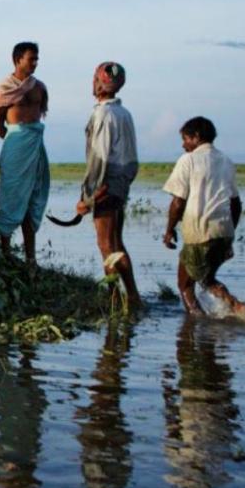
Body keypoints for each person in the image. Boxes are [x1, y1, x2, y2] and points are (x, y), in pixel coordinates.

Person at [162, 116, 245, 316]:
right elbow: (235, 204)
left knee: (185, 285)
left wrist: (168, 231)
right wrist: (229, 236)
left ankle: (197, 323)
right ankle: (236, 310)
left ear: (196, 137)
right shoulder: (226, 161)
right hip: (223, 232)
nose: (184, 145)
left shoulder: (188, 160)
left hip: (199, 233)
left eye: (185, 139)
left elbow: (178, 202)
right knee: (207, 280)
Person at [76, 61, 141, 308]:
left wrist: (89, 196)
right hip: (120, 183)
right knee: (116, 242)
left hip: (106, 184)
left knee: (106, 244)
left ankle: (115, 296)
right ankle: (131, 296)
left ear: (101, 84)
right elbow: (132, 160)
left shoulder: (103, 114)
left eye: (95, 79)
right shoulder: (124, 113)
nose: (92, 83)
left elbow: (99, 158)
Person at [0, 41, 49, 265]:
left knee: (33, 198)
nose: (35, 63)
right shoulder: (3, 89)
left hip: (35, 144)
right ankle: (5, 253)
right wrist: (17, 140)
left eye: (36, 59)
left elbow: (40, 114)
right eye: (31, 59)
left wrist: (29, 137)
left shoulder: (39, 88)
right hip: (16, 145)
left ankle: (30, 257)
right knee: (11, 196)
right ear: (17, 60)